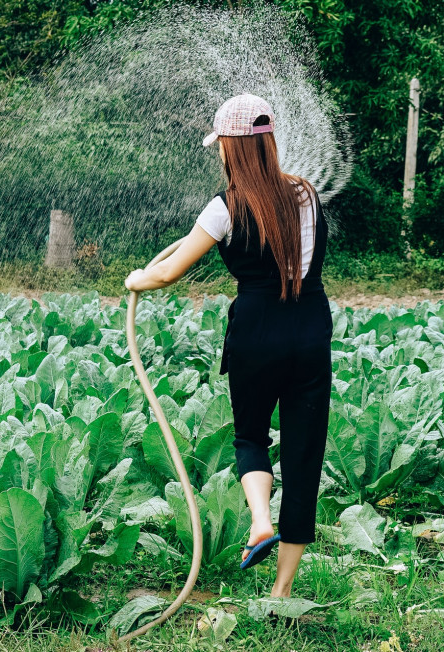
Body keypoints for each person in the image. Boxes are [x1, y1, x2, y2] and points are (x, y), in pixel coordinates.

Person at [124, 93, 332, 599]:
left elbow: (169, 271)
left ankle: (261, 519)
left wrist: (137, 278)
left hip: (257, 332)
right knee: (304, 455)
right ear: (270, 143)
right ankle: (282, 592)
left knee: (251, 436)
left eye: (221, 146)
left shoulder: (225, 208)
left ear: (232, 150)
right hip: (309, 328)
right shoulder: (306, 194)